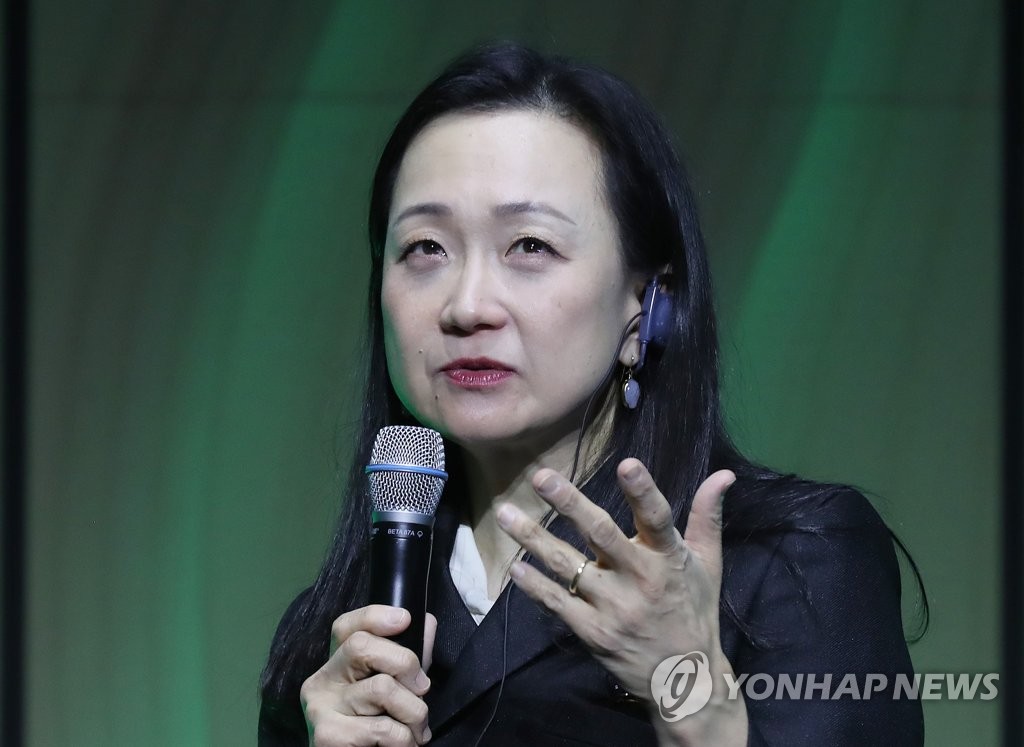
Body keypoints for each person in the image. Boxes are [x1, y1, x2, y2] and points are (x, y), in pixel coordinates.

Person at [259, 43, 925, 746]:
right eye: (425, 247)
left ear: (646, 304)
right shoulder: (337, 642)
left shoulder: (791, 563)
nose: (467, 304)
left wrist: (695, 705)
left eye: (530, 246)